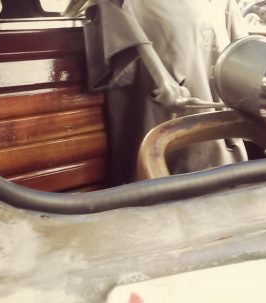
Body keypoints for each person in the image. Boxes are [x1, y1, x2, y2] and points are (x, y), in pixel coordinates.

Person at [76, 0, 248, 183]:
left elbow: (243, 50)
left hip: (221, 119)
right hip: (165, 113)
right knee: (170, 168)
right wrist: (162, 78)